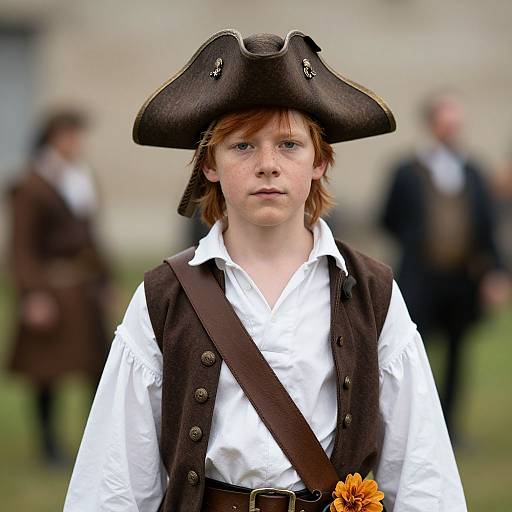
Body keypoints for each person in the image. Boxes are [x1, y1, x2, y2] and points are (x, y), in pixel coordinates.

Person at [64, 30, 467, 511]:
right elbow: (114, 480)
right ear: (208, 164)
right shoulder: (163, 296)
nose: (268, 165)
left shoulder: (372, 292)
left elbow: (422, 471)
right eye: (242, 146)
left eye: (289, 145)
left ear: (319, 160)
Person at [380, 92, 508, 442]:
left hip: (461, 280)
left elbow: (487, 226)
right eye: (446, 122)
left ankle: (451, 429)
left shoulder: (473, 170)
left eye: (456, 123)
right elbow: (387, 217)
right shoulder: (406, 170)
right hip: (420, 278)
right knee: (413, 353)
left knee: (457, 354)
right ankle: (416, 428)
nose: (452, 129)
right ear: (432, 124)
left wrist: (497, 271)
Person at [5, 109, 112, 466]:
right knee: (46, 373)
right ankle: (48, 445)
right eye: (70, 135)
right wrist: (33, 294)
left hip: (85, 292)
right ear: (53, 138)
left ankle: (96, 443)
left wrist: (106, 280)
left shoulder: (81, 178)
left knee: (98, 368)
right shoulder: (32, 184)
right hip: (51, 291)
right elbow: (20, 247)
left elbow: (92, 238)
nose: (77, 143)